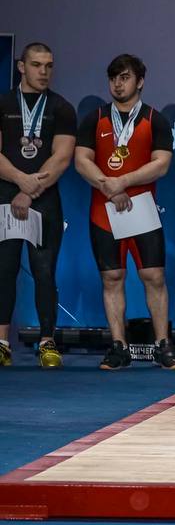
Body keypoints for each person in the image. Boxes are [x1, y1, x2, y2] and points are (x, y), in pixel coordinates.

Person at [73, 54, 175, 370]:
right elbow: (81, 160)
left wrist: (122, 181)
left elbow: (161, 164)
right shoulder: (94, 119)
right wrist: (108, 186)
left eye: (125, 77)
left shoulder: (155, 120)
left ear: (140, 81)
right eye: (113, 78)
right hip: (104, 211)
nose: (118, 84)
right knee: (112, 277)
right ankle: (118, 346)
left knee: (154, 276)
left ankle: (163, 346)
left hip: (141, 209)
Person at [0, 42, 76, 368]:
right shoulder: (3, 103)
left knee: (45, 272)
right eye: (36, 65)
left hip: (44, 201)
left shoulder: (61, 107)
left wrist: (29, 192)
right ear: (21, 66)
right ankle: (2, 343)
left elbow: (62, 158)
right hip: (5, 198)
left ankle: (47, 342)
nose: (43, 72)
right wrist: (21, 181)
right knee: (3, 271)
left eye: (49, 65)